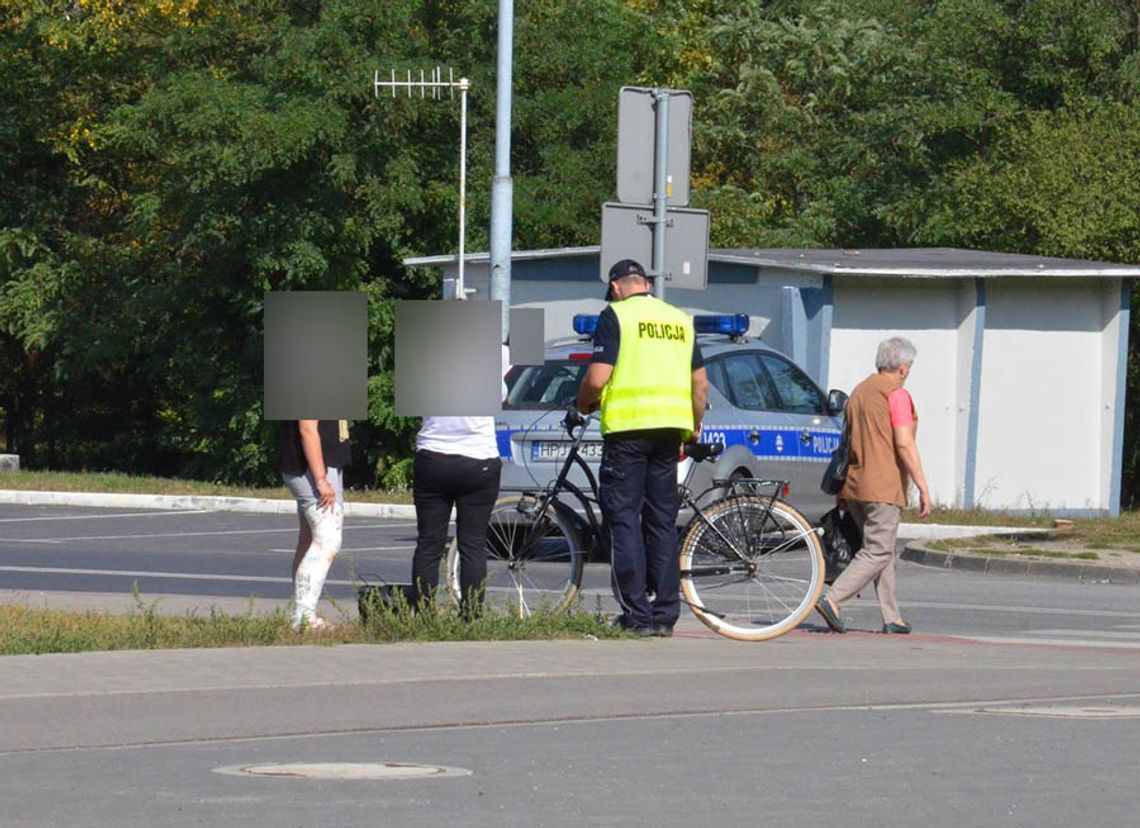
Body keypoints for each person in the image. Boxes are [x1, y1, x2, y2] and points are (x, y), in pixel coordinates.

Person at [573, 259, 708, 637]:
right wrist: (694, 425)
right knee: (661, 522)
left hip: (628, 432)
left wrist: (581, 404)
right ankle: (665, 614)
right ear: (646, 284)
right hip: (669, 433)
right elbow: (700, 385)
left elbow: (598, 378)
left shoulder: (616, 315)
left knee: (623, 520)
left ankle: (637, 616)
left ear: (616, 286)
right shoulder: (680, 319)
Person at [816, 336, 931, 635]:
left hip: (854, 485)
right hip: (883, 486)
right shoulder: (897, 395)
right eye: (910, 367)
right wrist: (923, 487)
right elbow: (904, 444)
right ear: (903, 367)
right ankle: (832, 599)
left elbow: (847, 441)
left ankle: (892, 617)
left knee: (882, 551)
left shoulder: (859, 392)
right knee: (878, 552)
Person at [410, 344, 510, 617]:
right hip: (480, 461)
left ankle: (423, 615)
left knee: (429, 543)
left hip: (434, 458)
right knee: (473, 543)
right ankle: (472, 616)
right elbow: (502, 396)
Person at [276, 419, 351, 631]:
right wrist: (321, 478)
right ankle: (304, 617)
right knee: (328, 540)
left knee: (309, 540)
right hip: (313, 468)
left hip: (317, 463)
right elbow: (307, 428)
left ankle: (302, 614)